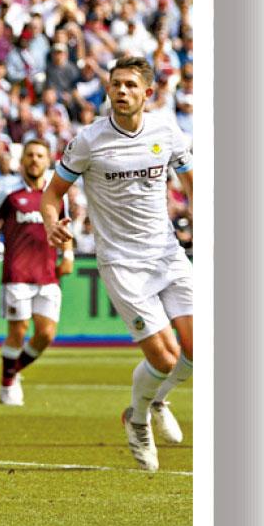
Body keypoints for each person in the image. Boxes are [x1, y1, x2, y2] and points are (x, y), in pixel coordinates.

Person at [41, 56, 194, 472]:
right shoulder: (88, 140)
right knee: (165, 358)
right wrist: (53, 224)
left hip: (167, 253)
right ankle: (137, 418)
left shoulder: (166, 131)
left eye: (129, 85)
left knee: (199, 349)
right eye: (115, 84)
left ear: (148, 93)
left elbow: (192, 182)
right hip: (122, 263)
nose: (121, 91)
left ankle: (158, 400)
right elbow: (52, 195)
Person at [0, 138, 74, 405]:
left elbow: (65, 226)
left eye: (40, 155)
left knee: (46, 334)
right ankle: (8, 385)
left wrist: (68, 254)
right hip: (17, 274)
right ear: (22, 160)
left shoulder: (56, 195)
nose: (35, 160)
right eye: (30, 155)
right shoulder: (8, 193)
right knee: (19, 330)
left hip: (48, 274)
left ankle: (11, 372)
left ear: (48, 161)